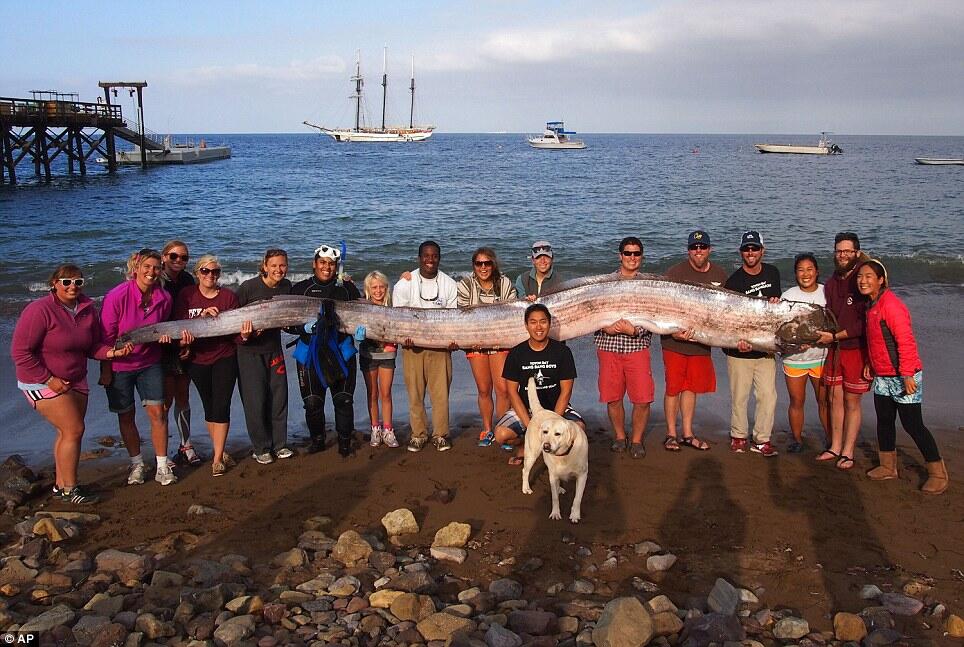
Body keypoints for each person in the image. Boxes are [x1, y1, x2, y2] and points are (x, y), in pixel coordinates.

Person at [11, 265, 131, 505]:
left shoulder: (86, 310)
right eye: (66, 282)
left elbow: (92, 347)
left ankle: (60, 485)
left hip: (76, 379)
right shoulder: (39, 310)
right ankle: (70, 490)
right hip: (40, 380)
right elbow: (21, 353)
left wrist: (112, 353)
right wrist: (49, 379)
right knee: (74, 430)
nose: (72, 287)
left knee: (66, 432)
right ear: (54, 284)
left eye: (78, 282)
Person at [857, 260, 948, 494]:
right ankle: (888, 466)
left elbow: (905, 341)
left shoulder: (891, 305)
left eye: (869, 276)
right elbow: (875, 340)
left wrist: (907, 374)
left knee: (912, 424)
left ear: (881, 280)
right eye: (860, 276)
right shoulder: (871, 305)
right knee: (884, 421)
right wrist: (870, 362)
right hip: (883, 376)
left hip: (904, 375)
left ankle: (938, 473)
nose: (863, 280)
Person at [100, 249, 179, 486]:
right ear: (136, 268)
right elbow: (105, 336)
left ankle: (163, 466)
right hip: (119, 364)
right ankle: (137, 464)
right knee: (126, 415)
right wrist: (106, 369)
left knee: (158, 413)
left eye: (156, 268)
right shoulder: (116, 296)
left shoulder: (164, 298)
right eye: (147, 267)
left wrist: (164, 338)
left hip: (149, 362)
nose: (151, 272)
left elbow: (161, 329)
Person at [174, 255, 245, 477]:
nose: (210, 275)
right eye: (205, 271)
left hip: (224, 356)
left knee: (221, 405)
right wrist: (199, 322)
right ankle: (220, 450)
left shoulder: (228, 297)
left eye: (215, 272)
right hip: (197, 358)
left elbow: (236, 335)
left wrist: (245, 335)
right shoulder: (187, 295)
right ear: (197, 273)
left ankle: (217, 459)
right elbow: (179, 325)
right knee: (209, 406)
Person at [289, 244, 361, 456]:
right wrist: (301, 328)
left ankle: (345, 443)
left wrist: (360, 332)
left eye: (331, 264)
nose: (327, 267)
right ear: (314, 264)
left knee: (344, 399)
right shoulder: (301, 289)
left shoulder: (347, 288)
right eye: (322, 263)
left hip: (341, 350)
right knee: (312, 402)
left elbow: (361, 316)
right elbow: (287, 322)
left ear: (336, 266)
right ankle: (318, 440)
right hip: (309, 352)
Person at [660, 230, 727, 452]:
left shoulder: (720, 274)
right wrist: (672, 332)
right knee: (673, 388)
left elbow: (726, 312)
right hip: (674, 343)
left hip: (701, 343)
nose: (698, 251)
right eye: (694, 248)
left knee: (691, 388)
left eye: (703, 247)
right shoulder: (675, 272)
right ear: (688, 250)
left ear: (710, 249)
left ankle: (687, 433)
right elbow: (660, 306)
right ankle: (671, 434)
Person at [495, 303, 584, 465]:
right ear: (526, 325)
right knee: (501, 435)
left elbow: (566, 391)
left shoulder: (563, 352)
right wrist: (532, 428)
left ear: (549, 324)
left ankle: (555, 451)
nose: (538, 327)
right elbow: (512, 393)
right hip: (527, 410)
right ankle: (524, 446)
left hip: (556, 408)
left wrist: (554, 421)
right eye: (533, 322)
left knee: (579, 430)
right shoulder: (516, 353)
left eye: (543, 321)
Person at [392, 240, 459, 452]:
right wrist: (405, 337)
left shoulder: (449, 284)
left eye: (434, 256)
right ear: (419, 258)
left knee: (440, 395)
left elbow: (453, 318)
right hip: (412, 348)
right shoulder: (404, 283)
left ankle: (441, 434)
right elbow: (398, 317)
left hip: (441, 349)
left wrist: (452, 341)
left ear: (439, 258)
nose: (430, 260)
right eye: (426, 256)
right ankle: (418, 434)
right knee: (415, 394)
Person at [593, 236, 654, 459]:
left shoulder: (649, 285)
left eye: (636, 254)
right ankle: (620, 436)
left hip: (637, 347)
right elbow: (591, 311)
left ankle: (636, 440)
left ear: (641, 257)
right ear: (620, 256)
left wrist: (636, 331)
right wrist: (604, 327)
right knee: (613, 397)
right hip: (608, 346)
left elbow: (657, 314)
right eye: (627, 253)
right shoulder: (603, 283)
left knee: (643, 399)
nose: (632, 258)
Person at [723, 231, 782, 457]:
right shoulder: (734, 281)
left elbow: (773, 313)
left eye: (754, 248)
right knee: (740, 396)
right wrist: (737, 342)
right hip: (739, 350)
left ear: (762, 251)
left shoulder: (773, 273)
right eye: (747, 249)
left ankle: (762, 439)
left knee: (768, 396)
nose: (751, 253)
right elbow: (727, 318)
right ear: (741, 253)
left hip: (765, 350)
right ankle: (738, 436)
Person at [814, 232, 870, 470]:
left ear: (857, 253)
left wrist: (835, 336)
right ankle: (835, 446)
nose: (843, 255)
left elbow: (863, 323)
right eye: (839, 251)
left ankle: (848, 451)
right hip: (835, 350)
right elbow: (830, 317)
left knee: (851, 401)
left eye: (848, 251)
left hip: (855, 349)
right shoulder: (830, 283)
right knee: (834, 398)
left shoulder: (862, 280)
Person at [236, 249, 293, 464]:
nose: (279, 270)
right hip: (249, 352)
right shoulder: (248, 288)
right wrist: (245, 335)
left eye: (283, 265)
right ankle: (260, 447)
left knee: (279, 398)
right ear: (265, 266)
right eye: (275, 265)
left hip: (274, 349)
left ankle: (280, 444)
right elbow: (232, 320)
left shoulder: (286, 287)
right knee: (255, 401)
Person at [457, 247, 518, 447]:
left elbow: (512, 313)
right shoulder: (465, 284)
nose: (483, 267)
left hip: (500, 341)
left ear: (493, 264)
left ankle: (502, 428)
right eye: (479, 264)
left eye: (487, 263)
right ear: (474, 266)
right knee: (484, 389)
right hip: (476, 343)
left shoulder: (505, 283)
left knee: (503, 390)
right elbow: (462, 315)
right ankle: (487, 429)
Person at [781, 253, 830, 453]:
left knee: (824, 401)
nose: (805, 274)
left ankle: (831, 439)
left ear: (817, 272)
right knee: (796, 401)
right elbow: (781, 329)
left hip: (822, 358)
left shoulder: (828, 293)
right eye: (801, 270)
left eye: (810, 269)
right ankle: (797, 439)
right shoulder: (788, 296)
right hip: (794, 359)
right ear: (795, 274)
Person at [160, 240, 200, 465]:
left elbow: (191, 313)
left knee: (183, 396)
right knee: (165, 400)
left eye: (184, 258)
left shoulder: (187, 280)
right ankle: (162, 452)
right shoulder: (157, 280)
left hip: (183, 341)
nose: (179, 261)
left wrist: (187, 344)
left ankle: (186, 444)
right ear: (164, 256)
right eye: (174, 256)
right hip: (161, 344)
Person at [361, 271, 399, 448]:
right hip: (367, 354)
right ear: (368, 289)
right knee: (372, 393)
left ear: (386, 288)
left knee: (386, 393)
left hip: (388, 354)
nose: (378, 291)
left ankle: (388, 429)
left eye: (381, 287)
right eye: (374, 287)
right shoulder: (363, 306)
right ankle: (375, 428)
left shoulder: (392, 306)